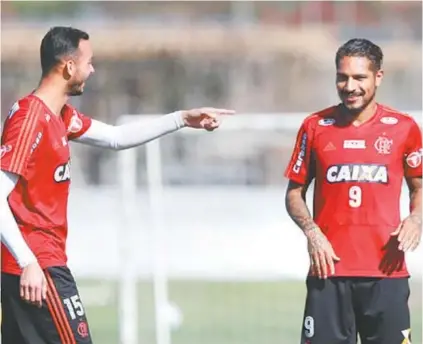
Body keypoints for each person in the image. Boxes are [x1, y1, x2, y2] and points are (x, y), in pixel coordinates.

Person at [0, 26, 234, 344]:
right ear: (68, 66)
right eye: (89, 62)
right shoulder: (30, 118)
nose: (92, 69)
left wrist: (181, 118)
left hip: (35, 265)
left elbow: (116, 137)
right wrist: (28, 262)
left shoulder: (61, 116)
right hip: (39, 268)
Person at [284, 38, 422, 344]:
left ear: (378, 77)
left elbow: (419, 186)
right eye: (342, 77)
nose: (350, 86)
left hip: (387, 273)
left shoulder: (404, 128)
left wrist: (415, 219)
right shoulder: (315, 126)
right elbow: (294, 193)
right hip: (328, 272)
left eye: (359, 77)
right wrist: (312, 232)